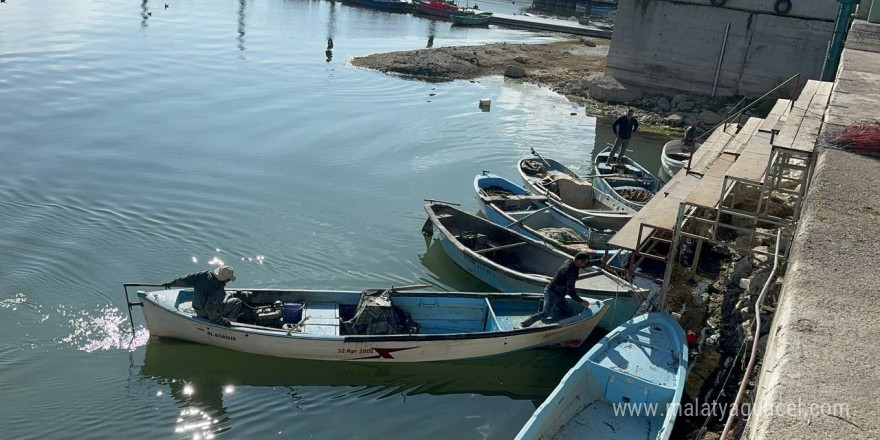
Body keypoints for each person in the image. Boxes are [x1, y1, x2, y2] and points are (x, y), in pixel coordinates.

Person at [520, 252, 595, 328]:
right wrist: (581, 301)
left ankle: (548, 304)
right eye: (584, 263)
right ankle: (528, 321)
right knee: (546, 313)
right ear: (579, 261)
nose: (585, 265)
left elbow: (587, 264)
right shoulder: (570, 272)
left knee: (568, 312)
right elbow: (570, 291)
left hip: (560, 295)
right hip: (551, 293)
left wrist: (600, 261)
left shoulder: (570, 261)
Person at [164, 265, 241, 326]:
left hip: (196, 307)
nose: (229, 280)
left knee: (229, 294)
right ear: (225, 279)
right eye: (229, 279)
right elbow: (209, 308)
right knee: (236, 302)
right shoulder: (218, 290)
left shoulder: (203, 274)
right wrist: (221, 321)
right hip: (205, 314)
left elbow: (185, 280)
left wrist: (172, 283)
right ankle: (232, 320)